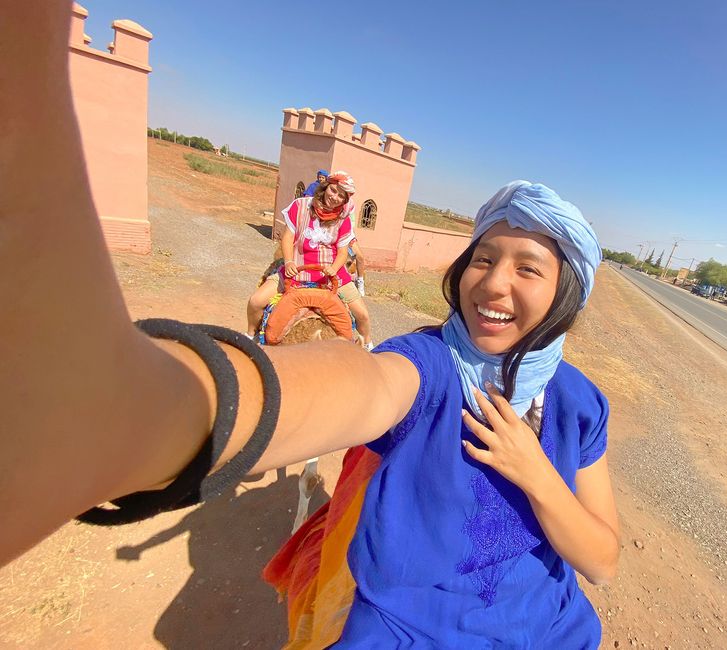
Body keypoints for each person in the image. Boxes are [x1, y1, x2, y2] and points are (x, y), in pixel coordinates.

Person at [2, 7, 617, 646]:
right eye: (483, 259)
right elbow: (367, 382)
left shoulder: (579, 405)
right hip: (406, 631)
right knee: (268, 301)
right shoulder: (425, 367)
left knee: (357, 313)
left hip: (553, 631)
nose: (491, 282)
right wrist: (151, 411)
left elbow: (601, 559)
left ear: (566, 295)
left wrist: (534, 469)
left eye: (527, 269)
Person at [245, 171, 374, 348]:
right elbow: (288, 237)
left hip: (331, 275)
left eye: (341, 196)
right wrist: (289, 261)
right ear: (326, 187)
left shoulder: (343, 220)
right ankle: (250, 336)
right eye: (334, 191)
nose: (335, 197)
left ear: (345, 201)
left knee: (363, 315)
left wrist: (334, 268)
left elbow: (343, 252)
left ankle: (367, 347)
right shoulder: (301, 206)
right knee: (256, 301)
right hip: (296, 269)